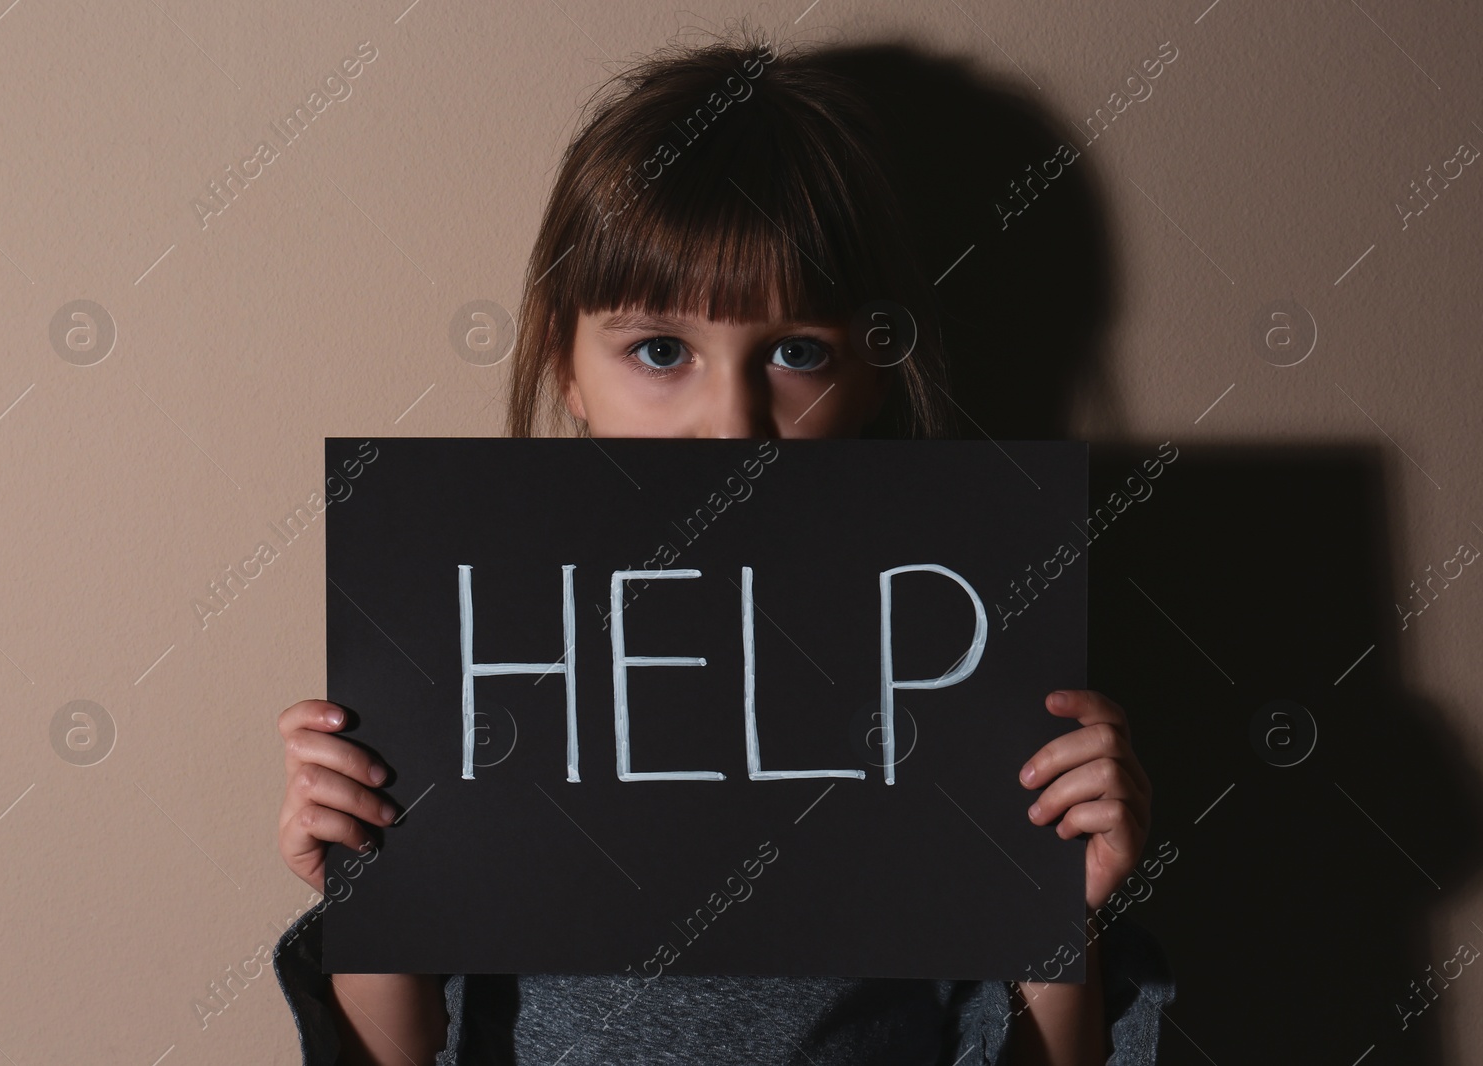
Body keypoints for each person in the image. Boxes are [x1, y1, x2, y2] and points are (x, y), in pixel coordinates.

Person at [272, 25, 1175, 1065]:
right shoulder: (475, 652)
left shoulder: (944, 657)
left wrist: (1057, 906)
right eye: (660, 350)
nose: (732, 421)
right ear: (563, 360)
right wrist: (375, 879)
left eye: (796, 353)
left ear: (876, 369)